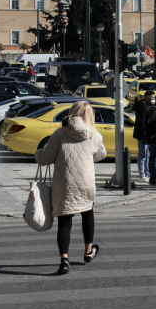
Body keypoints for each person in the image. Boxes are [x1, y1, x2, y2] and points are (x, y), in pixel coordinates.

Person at [35, 101, 106, 275]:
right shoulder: (94, 134)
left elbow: (45, 159)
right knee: (87, 212)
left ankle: (64, 260)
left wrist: (38, 153)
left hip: (64, 181)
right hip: (86, 181)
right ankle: (88, 251)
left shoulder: (59, 133)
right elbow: (101, 154)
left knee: (65, 220)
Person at [133, 90, 156, 183]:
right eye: (153, 97)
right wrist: (144, 135)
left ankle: (146, 173)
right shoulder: (142, 105)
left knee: (147, 154)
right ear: (147, 97)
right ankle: (142, 174)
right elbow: (141, 121)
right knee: (143, 155)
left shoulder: (147, 105)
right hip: (142, 134)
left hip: (146, 134)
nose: (154, 99)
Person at [144, 93, 156, 185]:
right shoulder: (155, 112)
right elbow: (155, 126)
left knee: (152, 159)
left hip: (153, 138)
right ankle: (154, 177)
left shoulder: (152, 111)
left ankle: (153, 176)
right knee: (155, 160)